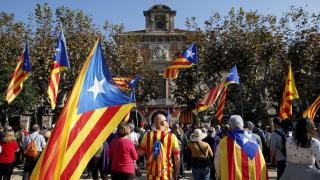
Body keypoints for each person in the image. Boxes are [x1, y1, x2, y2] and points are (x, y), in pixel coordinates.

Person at [214, 115, 268, 180]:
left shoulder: (224, 142)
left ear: (230, 127)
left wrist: (218, 176)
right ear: (242, 125)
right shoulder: (254, 140)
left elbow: (217, 164)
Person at [138, 113, 180, 180]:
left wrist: (138, 166)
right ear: (163, 123)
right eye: (166, 120)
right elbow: (177, 158)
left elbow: (140, 153)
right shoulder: (172, 136)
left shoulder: (147, 136)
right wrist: (177, 173)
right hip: (166, 173)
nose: (167, 121)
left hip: (151, 173)